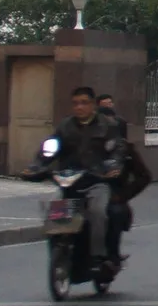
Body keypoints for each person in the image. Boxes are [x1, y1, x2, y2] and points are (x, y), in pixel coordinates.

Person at [51, 83, 130, 261]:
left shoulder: (107, 125)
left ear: (93, 105)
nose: (79, 107)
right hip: (70, 181)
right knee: (55, 209)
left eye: (84, 102)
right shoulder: (65, 126)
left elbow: (118, 148)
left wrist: (113, 165)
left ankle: (98, 256)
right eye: (75, 103)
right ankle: (59, 250)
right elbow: (50, 147)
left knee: (97, 212)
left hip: (96, 181)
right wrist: (38, 164)